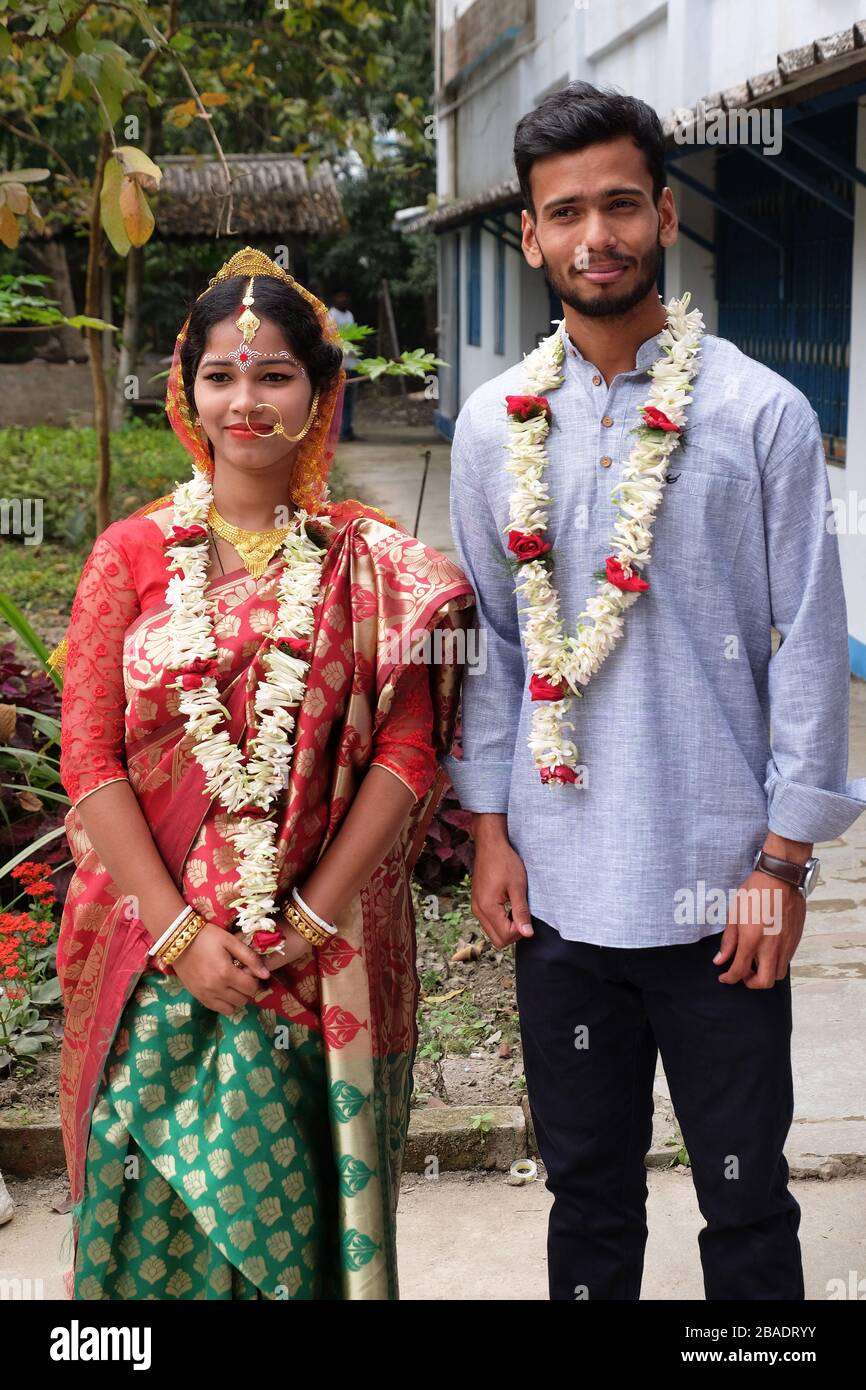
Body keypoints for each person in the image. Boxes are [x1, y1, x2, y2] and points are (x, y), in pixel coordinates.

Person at [441, 82, 866, 1301]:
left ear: (664, 215)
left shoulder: (759, 415)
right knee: (586, 1192)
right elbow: (489, 649)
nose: (595, 236)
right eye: (563, 211)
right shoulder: (491, 428)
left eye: (619, 203)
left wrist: (780, 863)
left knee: (743, 1196)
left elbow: (803, 645)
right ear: (528, 235)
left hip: (721, 884)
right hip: (561, 887)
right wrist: (486, 831)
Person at [51, 246, 475, 1300]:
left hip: (313, 968)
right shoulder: (131, 554)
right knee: (149, 1226)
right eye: (220, 375)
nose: (246, 400)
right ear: (186, 391)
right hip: (157, 959)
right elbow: (90, 754)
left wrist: (309, 920)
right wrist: (179, 931)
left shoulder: (373, 566)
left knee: (295, 1246)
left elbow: (407, 750)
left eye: (275, 373)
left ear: (319, 391)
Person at [327, 290, 361, 441]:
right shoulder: (331, 315)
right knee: (337, 400)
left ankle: (346, 430)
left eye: (346, 296)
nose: (344, 299)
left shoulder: (349, 315)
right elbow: (330, 338)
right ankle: (336, 432)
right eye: (341, 296)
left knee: (349, 400)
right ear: (335, 299)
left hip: (352, 363)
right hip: (339, 364)